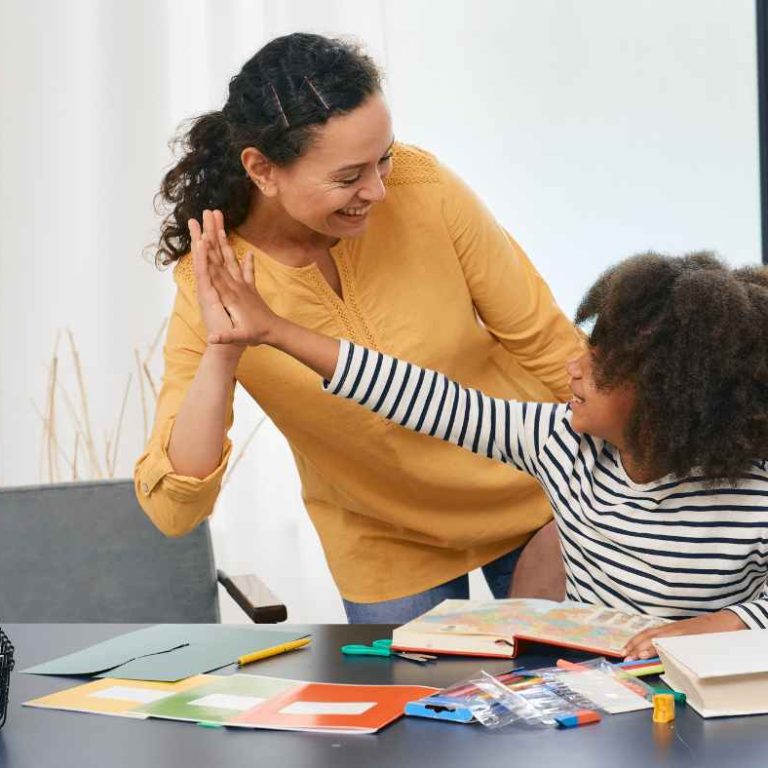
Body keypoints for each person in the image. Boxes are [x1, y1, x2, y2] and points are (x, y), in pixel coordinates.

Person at [134, 32, 583, 622]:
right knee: (414, 714)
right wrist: (223, 351)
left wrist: (604, 496)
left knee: (575, 699)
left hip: (535, 497)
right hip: (384, 540)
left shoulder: (423, 187)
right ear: (262, 169)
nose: (377, 189)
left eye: (384, 157)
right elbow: (175, 508)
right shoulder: (212, 278)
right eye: (348, 177)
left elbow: (549, 344)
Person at [196, 242, 768, 658]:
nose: (575, 364)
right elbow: (426, 397)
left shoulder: (752, 491)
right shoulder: (561, 444)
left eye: (602, 361)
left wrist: (722, 624)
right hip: (599, 695)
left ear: (672, 395)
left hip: (711, 703)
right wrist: (272, 329)